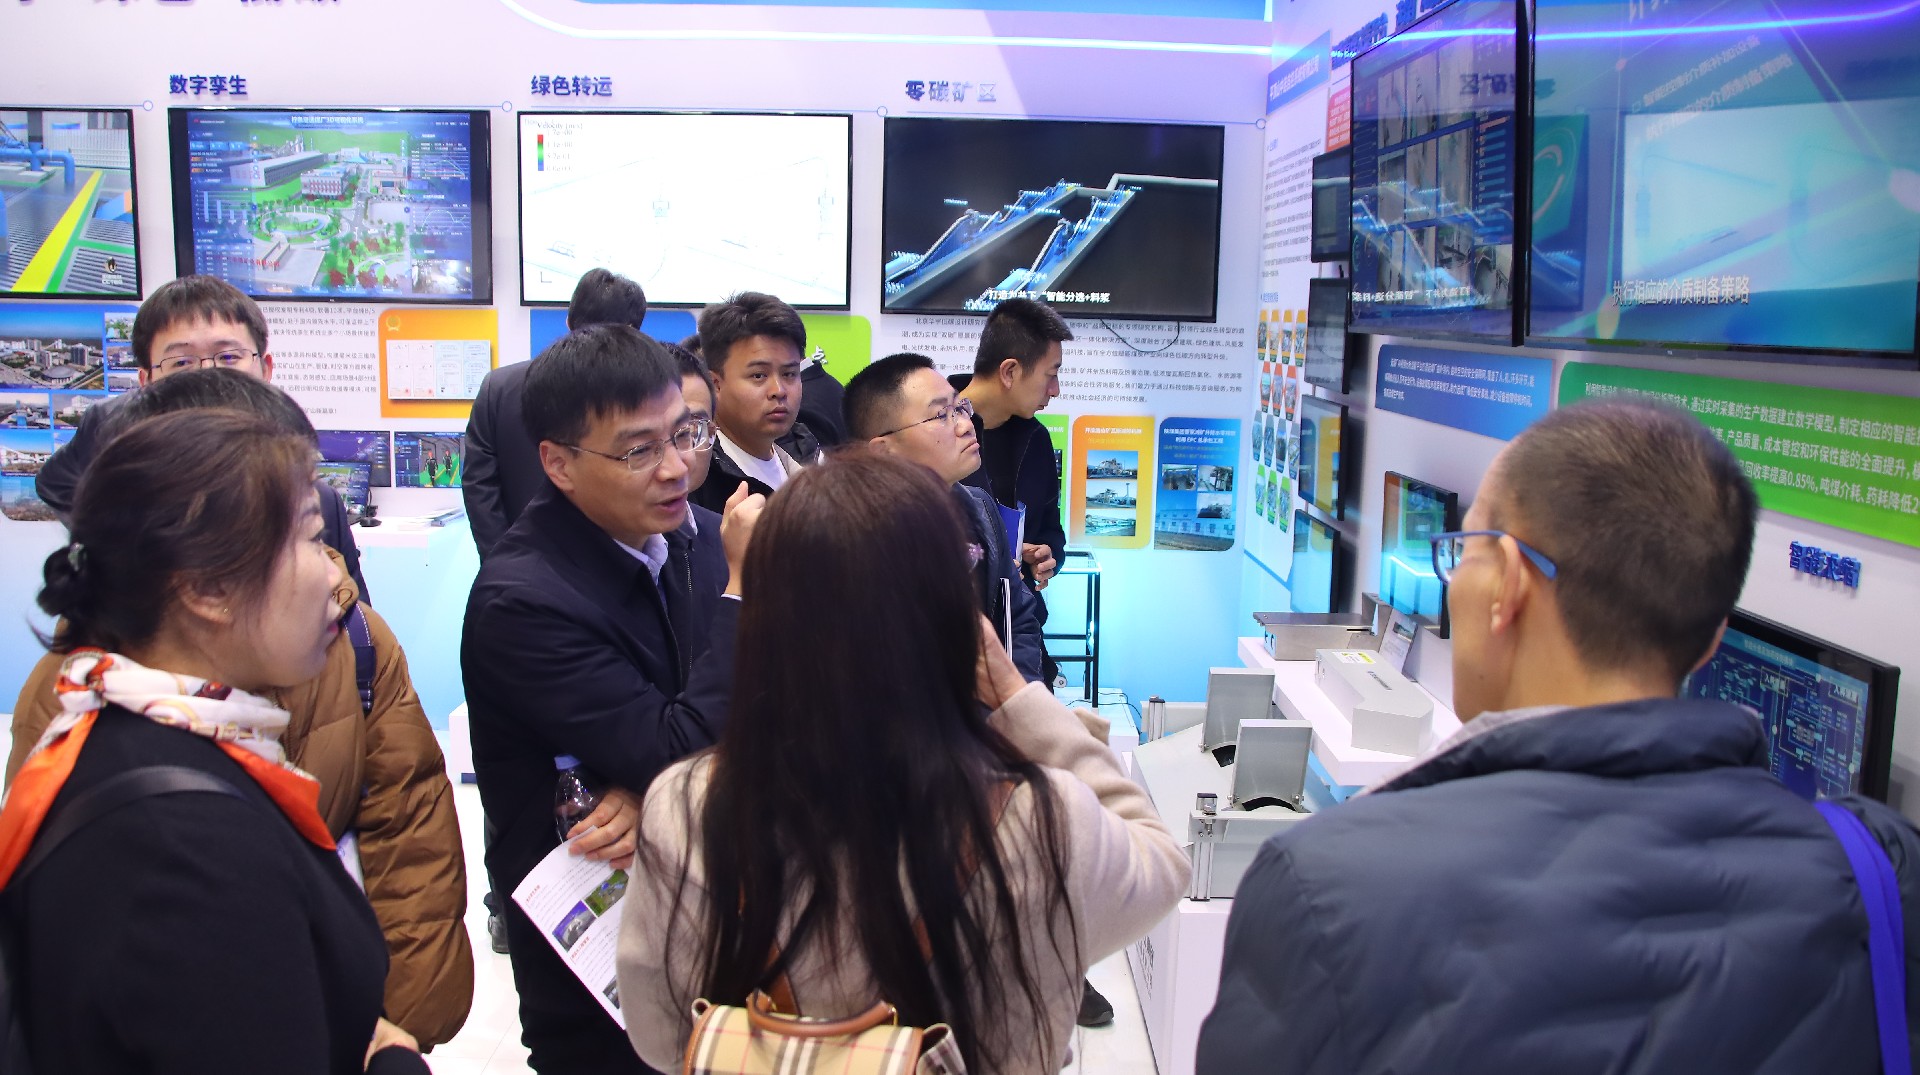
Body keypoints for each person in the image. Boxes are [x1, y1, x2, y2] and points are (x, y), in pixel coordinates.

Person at [1197, 400, 1920, 1074]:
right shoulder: (1880, 872)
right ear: (1711, 641)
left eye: (1463, 550)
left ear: (1507, 586)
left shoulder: (1324, 886)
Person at [616, 452, 1190, 1073]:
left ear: (764, 619)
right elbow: (1160, 868)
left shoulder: (684, 805)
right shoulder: (1041, 818)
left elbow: (659, 1035)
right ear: (953, 616)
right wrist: (1017, 696)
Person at [5, 368, 474, 1049]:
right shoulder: (186, 848)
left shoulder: (133, 735)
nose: (333, 573)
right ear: (207, 587)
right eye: (310, 538)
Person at [463, 324, 762, 1074]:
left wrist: (650, 787)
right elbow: (675, 745)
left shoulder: (698, 538)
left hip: (716, 908)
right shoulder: (523, 599)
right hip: (598, 953)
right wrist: (745, 594)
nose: (677, 467)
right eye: (638, 451)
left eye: (686, 434)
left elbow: (768, 708)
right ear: (558, 463)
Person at [34, 273, 370, 601]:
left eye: (229, 357)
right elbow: (55, 483)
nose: (209, 376)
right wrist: (112, 534)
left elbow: (356, 623)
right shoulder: (117, 452)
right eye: (182, 361)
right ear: (146, 382)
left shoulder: (318, 501)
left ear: (265, 369)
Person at [843, 352, 1046, 684]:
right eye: (941, 415)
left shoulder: (980, 508)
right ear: (883, 449)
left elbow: (1019, 617)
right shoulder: (851, 537)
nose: (965, 425)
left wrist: (1014, 700)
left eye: (960, 408)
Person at [464, 268, 649, 559]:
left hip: (523, 561)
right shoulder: (651, 397)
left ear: (568, 322)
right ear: (635, 333)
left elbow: (479, 489)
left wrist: (501, 562)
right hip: (617, 562)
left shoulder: (498, 388)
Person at [954, 298, 1071, 598]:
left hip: (1020, 617)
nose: (1055, 390)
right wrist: (995, 560)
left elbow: (1051, 531)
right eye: (1051, 374)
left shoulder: (1037, 438)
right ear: (1009, 372)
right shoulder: (935, 432)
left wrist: (1046, 556)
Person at [687, 291, 822, 513]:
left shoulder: (806, 451)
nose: (779, 391)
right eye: (759, 375)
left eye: (789, 374)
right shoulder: (695, 478)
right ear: (715, 384)